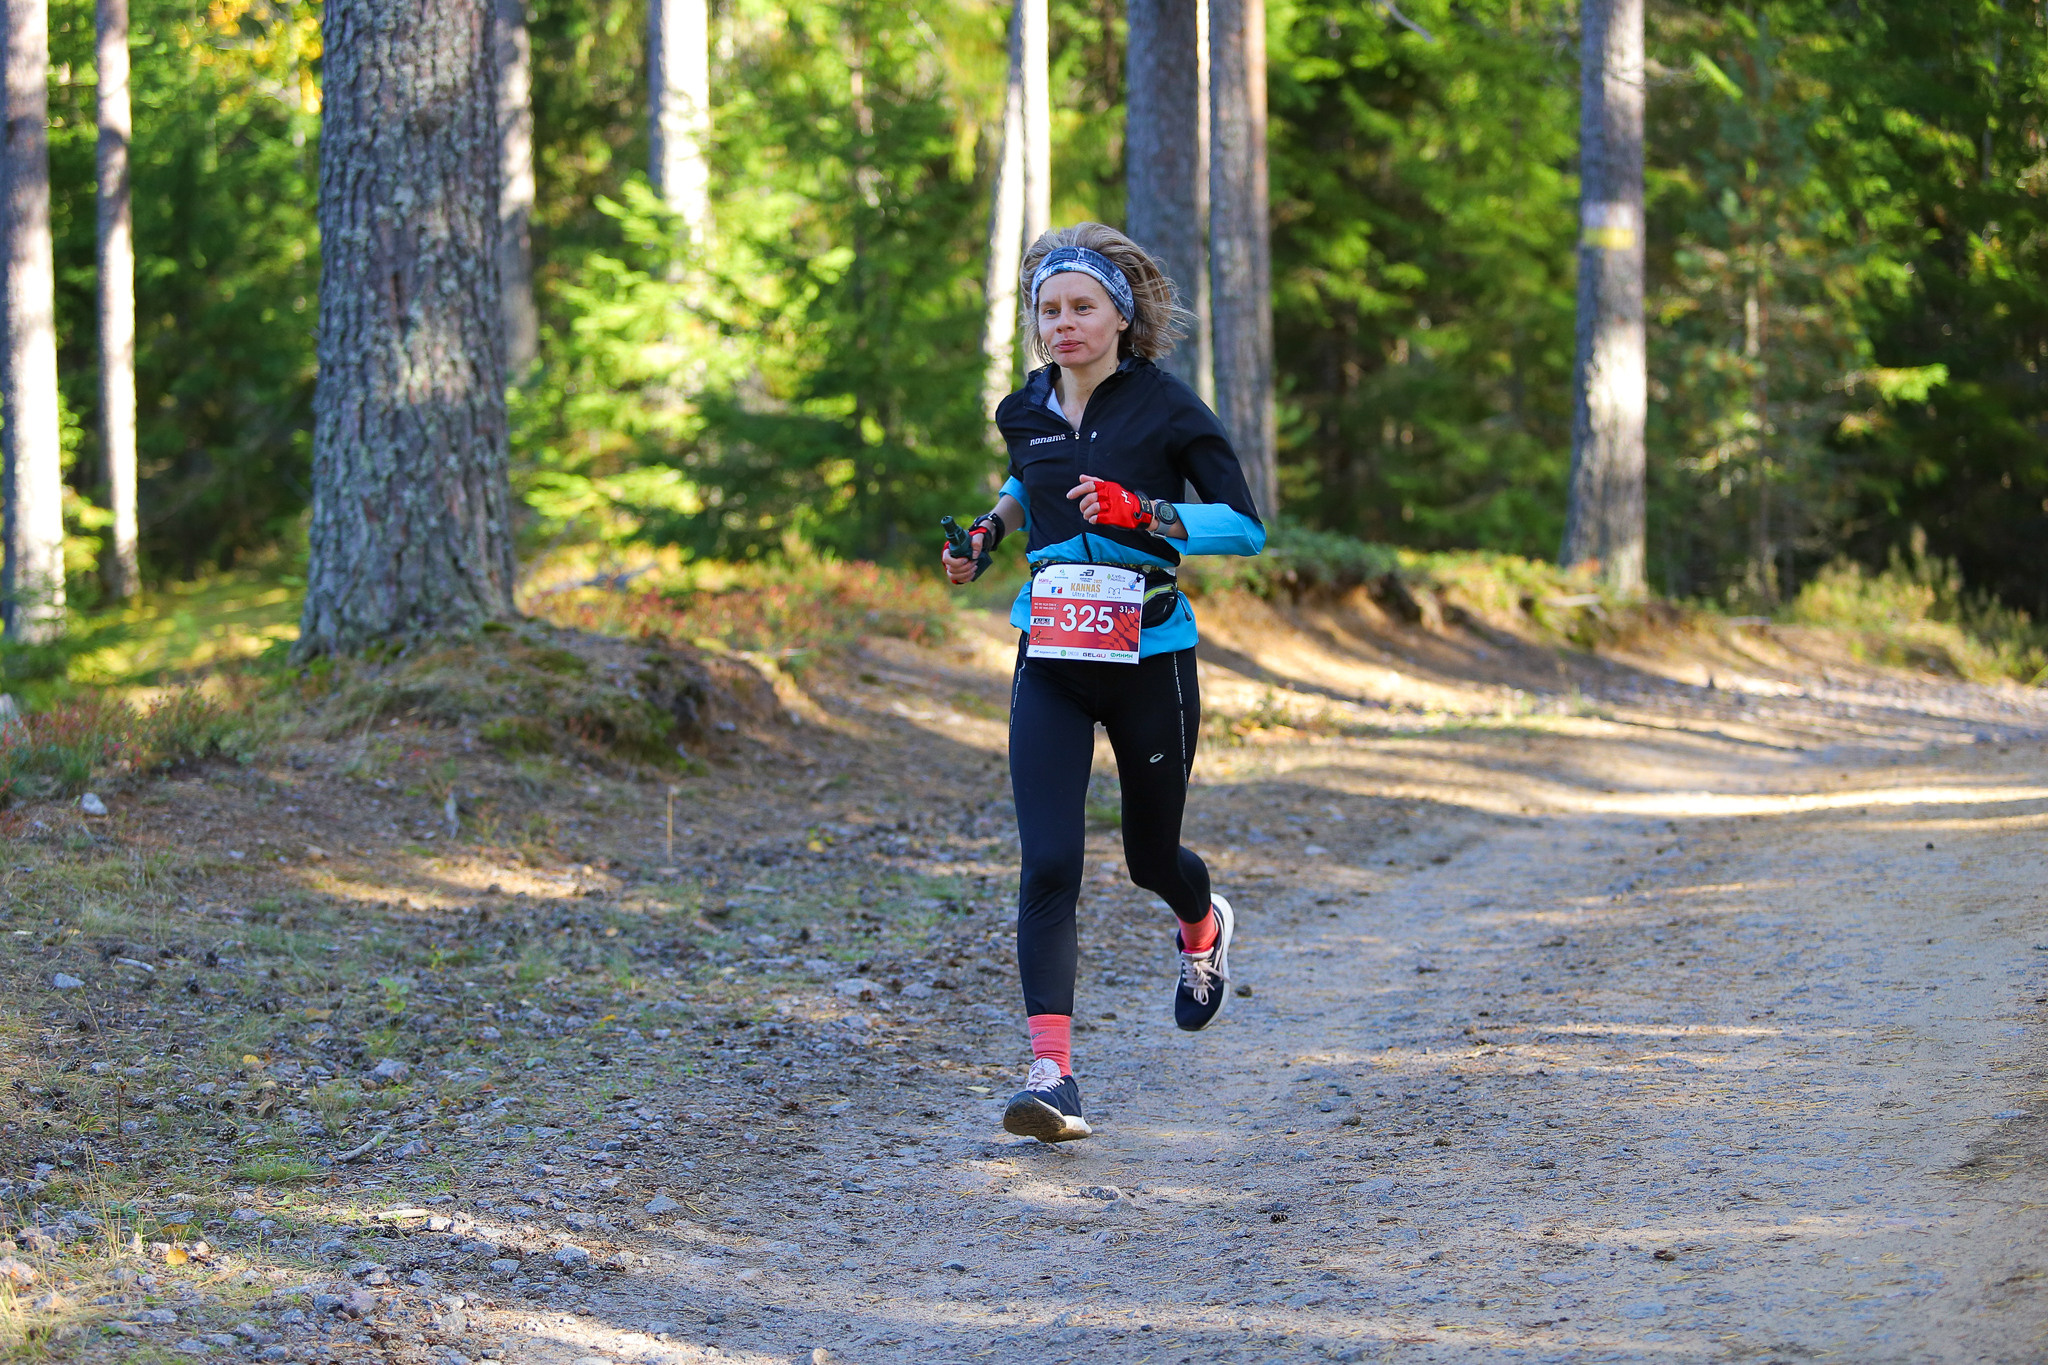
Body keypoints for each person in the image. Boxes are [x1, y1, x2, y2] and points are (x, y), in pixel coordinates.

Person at [941, 222, 1265, 1143]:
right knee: (1049, 861)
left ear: (1120, 317)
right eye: (1049, 310)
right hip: (1051, 654)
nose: (1064, 324)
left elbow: (1245, 527)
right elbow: (1028, 478)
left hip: (1149, 656)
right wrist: (987, 533)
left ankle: (1201, 925)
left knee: (1149, 858)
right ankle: (1054, 1077)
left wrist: (1147, 512)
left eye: (1082, 307)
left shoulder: (1168, 407)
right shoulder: (1025, 406)